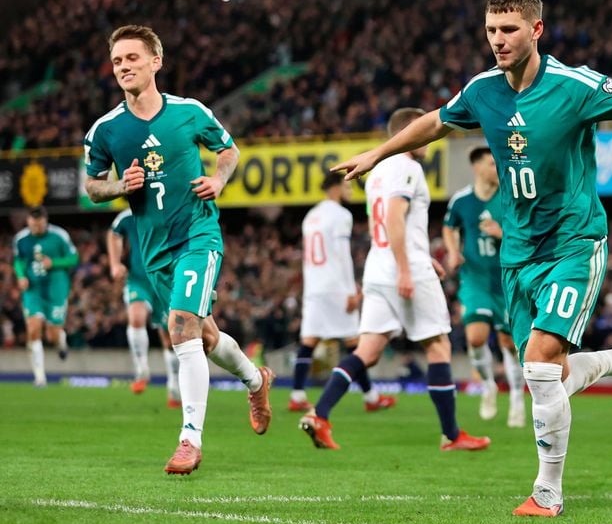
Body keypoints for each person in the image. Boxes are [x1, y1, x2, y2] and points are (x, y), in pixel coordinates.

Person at [334, 0, 612, 515]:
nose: (498, 40)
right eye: (492, 30)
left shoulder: (573, 84)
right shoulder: (483, 90)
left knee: (540, 363)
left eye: (509, 29)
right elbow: (434, 121)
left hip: (573, 241)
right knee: (552, 374)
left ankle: (548, 491)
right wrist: (379, 153)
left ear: (536, 30)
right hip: (517, 252)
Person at [84, 24, 274, 475]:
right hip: (154, 253)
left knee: (181, 325)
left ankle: (189, 441)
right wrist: (116, 186)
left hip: (197, 235)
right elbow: (91, 186)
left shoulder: (188, 112)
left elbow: (229, 152)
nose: (124, 67)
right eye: (117, 61)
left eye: (132, 58)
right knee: (203, 336)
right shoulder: (106, 130)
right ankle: (255, 379)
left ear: (156, 62)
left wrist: (219, 180)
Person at [300, 108, 490, 452]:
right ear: (411, 133)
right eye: (426, 133)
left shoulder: (377, 171)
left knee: (368, 350)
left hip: (378, 266)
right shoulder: (408, 167)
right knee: (438, 346)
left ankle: (321, 414)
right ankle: (452, 435)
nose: (430, 141)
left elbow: (391, 224)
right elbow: (394, 217)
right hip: (403, 268)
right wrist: (407, 266)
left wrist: (421, 255)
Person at [290, 170, 395, 413]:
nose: (349, 192)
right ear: (336, 187)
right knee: (355, 343)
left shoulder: (311, 216)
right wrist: (351, 290)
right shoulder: (341, 215)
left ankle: (297, 394)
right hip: (335, 287)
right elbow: (341, 255)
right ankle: (371, 397)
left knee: (309, 341)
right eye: (347, 188)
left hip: (314, 287)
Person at [443, 146, 525, 427]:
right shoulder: (462, 200)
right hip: (475, 279)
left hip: (506, 280)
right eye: (492, 164)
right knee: (476, 338)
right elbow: (448, 226)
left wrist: (503, 234)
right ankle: (488, 386)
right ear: (477, 167)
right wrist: (453, 251)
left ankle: (516, 397)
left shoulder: (510, 198)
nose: (497, 168)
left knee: (509, 344)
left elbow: (526, 234)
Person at [108, 208, 178, 405]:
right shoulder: (129, 215)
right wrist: (115, 264)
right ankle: (141, 369)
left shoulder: (170, 208)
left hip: (166, 281)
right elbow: (113, 233)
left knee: (170, 338)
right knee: (136, 317)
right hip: (139, 280)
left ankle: (174, 384)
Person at [13, 206, 77, 386]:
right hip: (33, 290)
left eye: (39, 225)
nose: (36, 228)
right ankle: (40, 377)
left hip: (56, 290)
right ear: (28, 222)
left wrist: (54, 263)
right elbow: (18, 260)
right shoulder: (21, 239)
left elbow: (74, 258)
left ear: (45, 221)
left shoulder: (59, 236)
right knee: (33, 328)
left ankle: (61, 342)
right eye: (33, 225)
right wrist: (21, 276)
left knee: (52, 334)